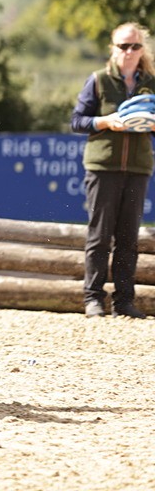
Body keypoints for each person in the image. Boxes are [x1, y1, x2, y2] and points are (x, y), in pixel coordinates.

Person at [70, 21, 155, 318]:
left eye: (135, 46)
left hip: (138, 167)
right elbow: (77, 121)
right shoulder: (98, 80)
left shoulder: (152, 84)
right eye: (123, 46)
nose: (129, 51)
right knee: (99, 235)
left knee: (129, 237)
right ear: (113, 48)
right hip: (102, 166)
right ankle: (93, 298)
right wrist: (106, 122)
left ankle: (124, 302)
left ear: (142, 49)